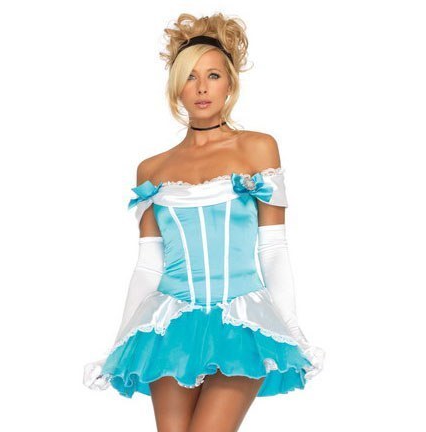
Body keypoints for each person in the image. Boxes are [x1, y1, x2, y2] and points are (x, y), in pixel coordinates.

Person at [83, 12, 325, 432]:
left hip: (241, 321)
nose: (201, 88)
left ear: (230, 83)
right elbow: (148, 265)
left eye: (213, 76)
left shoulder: (257, 148)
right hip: (170, 325)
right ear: (176, 86)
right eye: (190, 77)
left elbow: (273, 248)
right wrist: (119, 341)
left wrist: (289, 329)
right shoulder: (152, 169)